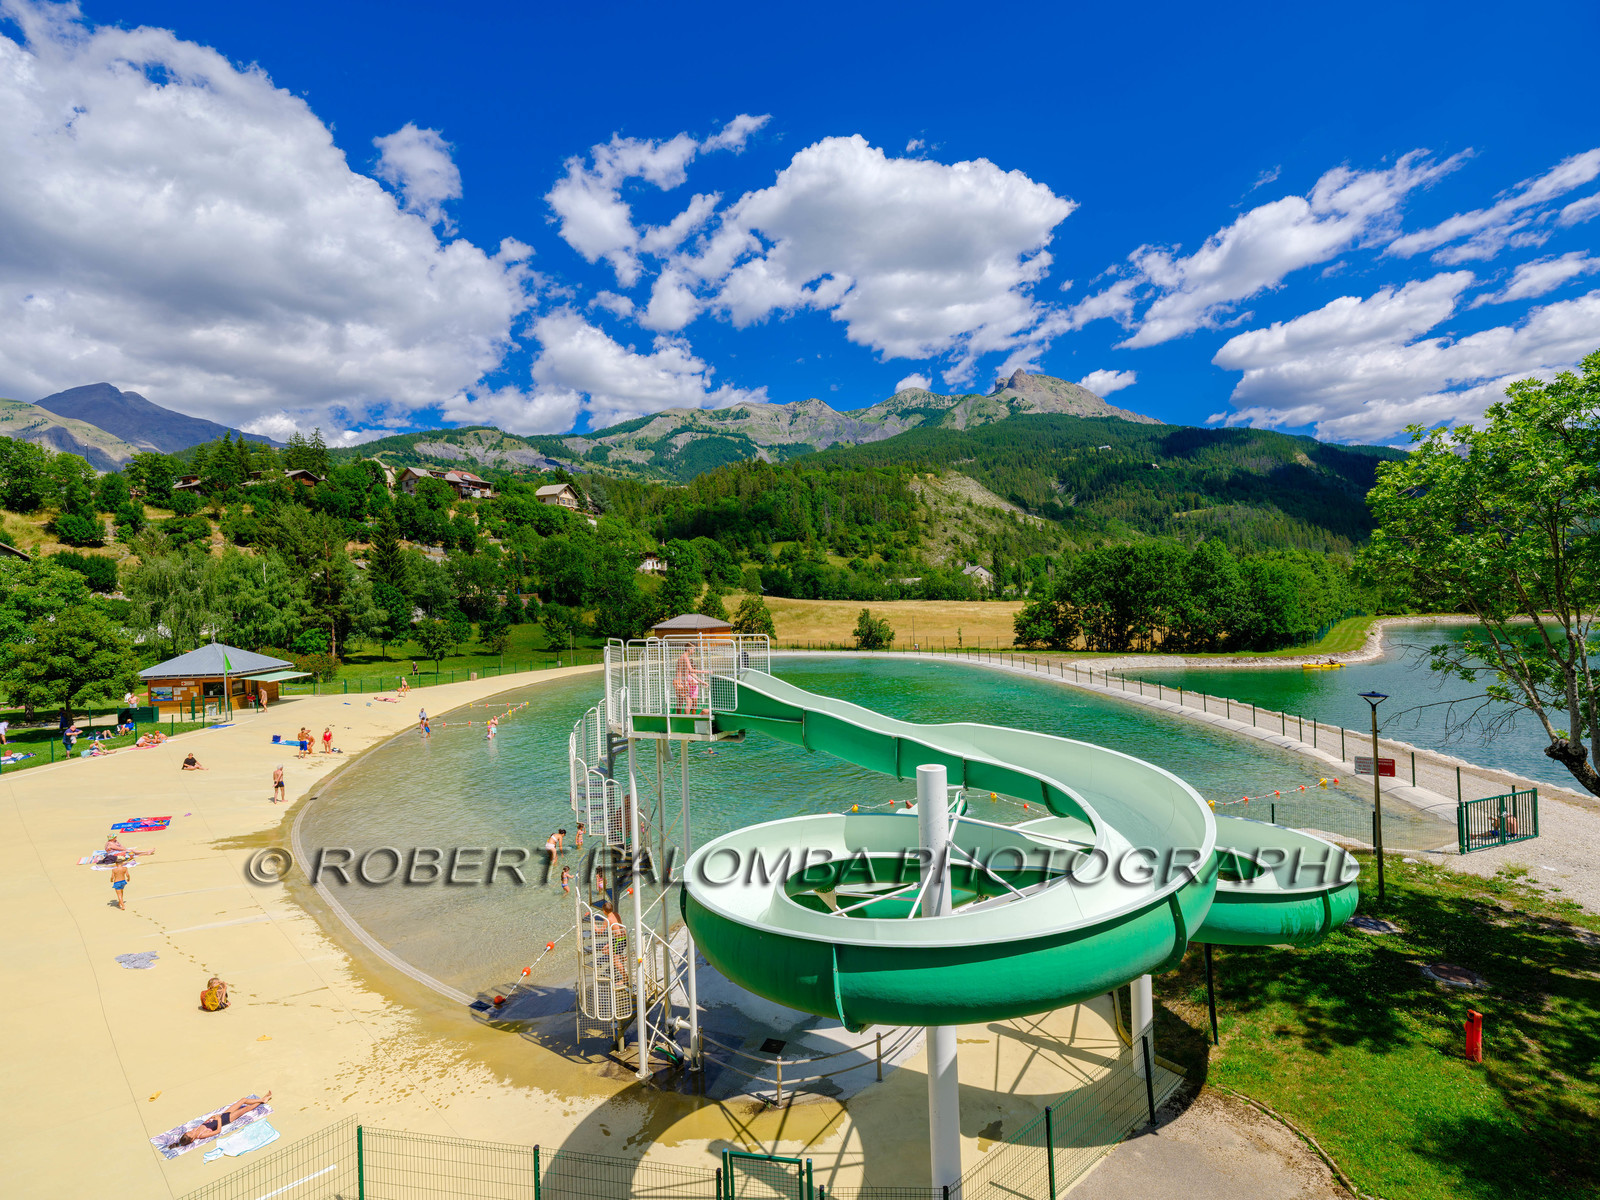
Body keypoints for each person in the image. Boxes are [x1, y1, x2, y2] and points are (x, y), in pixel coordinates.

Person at [174, 1094, 272, 1147]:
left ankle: (262, 1100)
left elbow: (204, 1124)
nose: (191, 1131)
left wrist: (211, 1118)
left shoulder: (195, 1130)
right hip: (227, 1119)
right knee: (246, 1109)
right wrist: (219, 1120)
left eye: (189, 1132)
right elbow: (218, 1131)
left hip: (222, 1115)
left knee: (243, 1100)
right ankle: (263, 1100)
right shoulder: (201, 1135)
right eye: (191, 1134)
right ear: (192, 1139)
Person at [672, 645, 704, 713]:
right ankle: (686, 717)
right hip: (681, 682)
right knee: (688, 702)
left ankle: (679, 716)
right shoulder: (685, 657)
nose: (694, 651)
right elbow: (691, 671)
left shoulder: (682, 658)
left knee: (680, 701)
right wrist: (705, 671)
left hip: (680, 682)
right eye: (694, 649)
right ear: (689, 649)